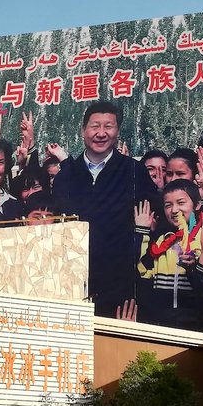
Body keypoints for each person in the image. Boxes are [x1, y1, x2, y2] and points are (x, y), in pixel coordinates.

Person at [48, 100, 157, 317]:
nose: (101, 133)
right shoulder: (65, 177)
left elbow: (149, 225)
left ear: (117, 131)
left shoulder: (134, 171)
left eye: (108, 126)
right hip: (74, 282)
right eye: (95, 126)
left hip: (121, 283)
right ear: (83, 131)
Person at [133, 180, 203, 333]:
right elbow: (141, 272)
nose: (174, 210)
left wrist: (194, 267)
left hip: (196, 328)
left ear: (197, 204)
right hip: (161, 326)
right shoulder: (162, 240)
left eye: (181, 203)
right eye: (168, 205)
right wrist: (142, 231)